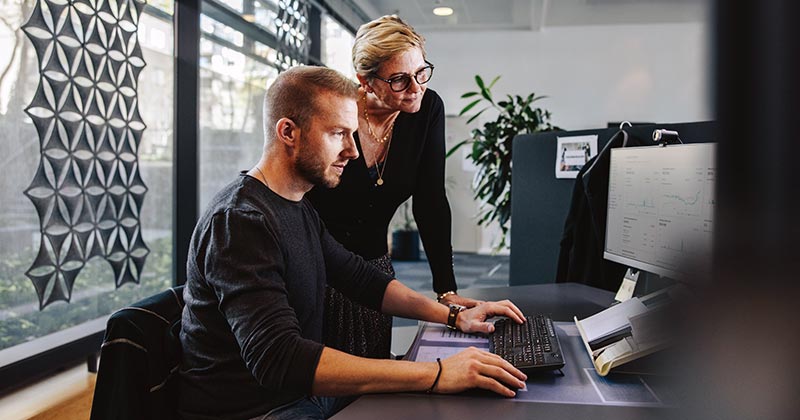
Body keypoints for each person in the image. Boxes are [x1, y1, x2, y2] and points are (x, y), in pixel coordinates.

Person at [178, 66, 527, 420]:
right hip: (260, 409)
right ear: (288, 132)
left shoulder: (297, 205)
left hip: (301, 396)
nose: (353, 151)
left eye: (353, 134)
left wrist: (455, 316)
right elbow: (279, 360)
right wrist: (437, 373)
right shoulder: (240, 221)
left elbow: (360, 279)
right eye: (338, 134)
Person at [307, 15, 476, 360]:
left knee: (374, 373)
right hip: (317, 268)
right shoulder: (337, 113)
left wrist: (446, 289)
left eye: (421, 73)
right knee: (321, 378)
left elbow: (430, 202)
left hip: (374, 271)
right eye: (399, 80)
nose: (415, 88)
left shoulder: (427, 108)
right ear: (365, 81)